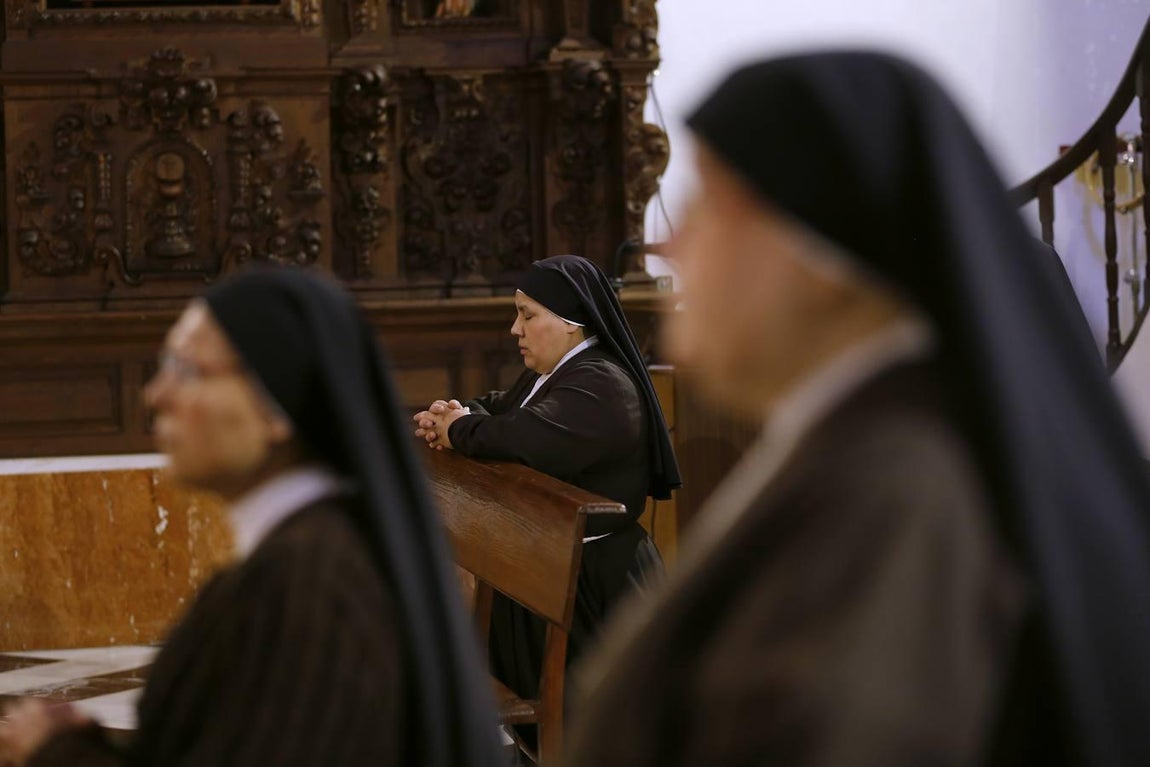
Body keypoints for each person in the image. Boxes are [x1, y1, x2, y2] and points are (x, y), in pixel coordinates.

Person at [562, 52, 1150, 767]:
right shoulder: (857, 441)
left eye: (709, 204)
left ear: (819, 261)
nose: (675, 246)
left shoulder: (899, 483)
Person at [0, 268, 502, 767]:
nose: (156, 394)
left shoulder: (311, 583)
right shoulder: (307, 557)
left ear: (275, 408)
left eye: (187, 371)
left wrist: (56, 754)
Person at [414, 254, 680, 715]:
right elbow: (500, 408)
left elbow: (525, 437)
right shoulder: (560, 373)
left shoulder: (601, 383)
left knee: (599, 724)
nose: (515, 329)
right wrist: (457, 414)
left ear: (570, 323)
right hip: (549, 571)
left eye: (527, 315)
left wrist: (457, 428)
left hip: (594, 589)